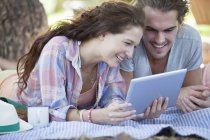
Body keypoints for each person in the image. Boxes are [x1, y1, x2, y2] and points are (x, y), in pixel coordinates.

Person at [0, 1, 151, 125]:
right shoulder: (58, 49)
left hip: (26, 76)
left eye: (134, 46)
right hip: (10, 90)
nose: (130, 54)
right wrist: (95, 116)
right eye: (127, 43)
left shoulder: (108, 60)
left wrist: (125, 112)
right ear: (102, 33)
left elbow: (115, 98)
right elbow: (54, 113)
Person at [120, 0, 210, 113]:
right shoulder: (129, 43)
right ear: (139, 25)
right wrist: (174, 96)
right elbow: (124, 99)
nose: (159, 40)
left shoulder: (190, 40)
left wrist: (202, 99)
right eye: (150, 29)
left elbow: (193, 96)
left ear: (180, 24)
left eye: (169, 30)